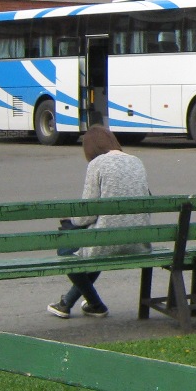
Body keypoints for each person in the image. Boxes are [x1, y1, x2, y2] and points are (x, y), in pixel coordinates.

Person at [47, 126, 151, 319]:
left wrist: (70, 221)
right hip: (139, 242)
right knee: (98, 241)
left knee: (66, 250)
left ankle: (94, 303)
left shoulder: (97, 164)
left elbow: (87, 214)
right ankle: (69, 303)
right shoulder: (136, 161)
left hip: (107, 242)